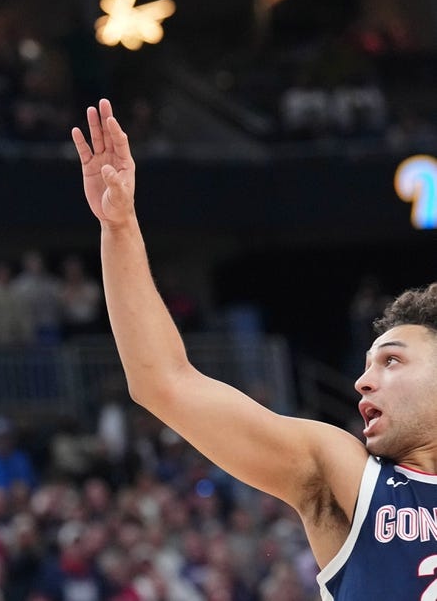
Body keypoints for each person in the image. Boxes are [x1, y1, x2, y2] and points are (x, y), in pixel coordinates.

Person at [71, 98, 437, 599]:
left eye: (392, 360)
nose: (362, 380)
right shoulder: (348, 476)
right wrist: (119, 228)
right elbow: (165, 383)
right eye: (368, 362)